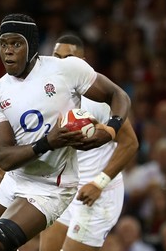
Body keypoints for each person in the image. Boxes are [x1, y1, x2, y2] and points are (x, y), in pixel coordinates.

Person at [0, 13, 131, 251]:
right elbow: (5, 158)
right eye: (3, 44)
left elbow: (118, 97)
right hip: (17, 177)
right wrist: (49, 142)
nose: (8, 50)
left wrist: (110, 129)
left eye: (16, 43)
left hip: (52, 186)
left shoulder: (70, 76)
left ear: (32, 45)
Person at [39, 34, 139, 251]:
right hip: (66, 189)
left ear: (82, 63)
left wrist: (99, 183)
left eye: (69, 58)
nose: (61, 63)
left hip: (97, 195)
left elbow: (130, 143)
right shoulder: (47, 93)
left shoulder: (98, 96)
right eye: (56, 57)